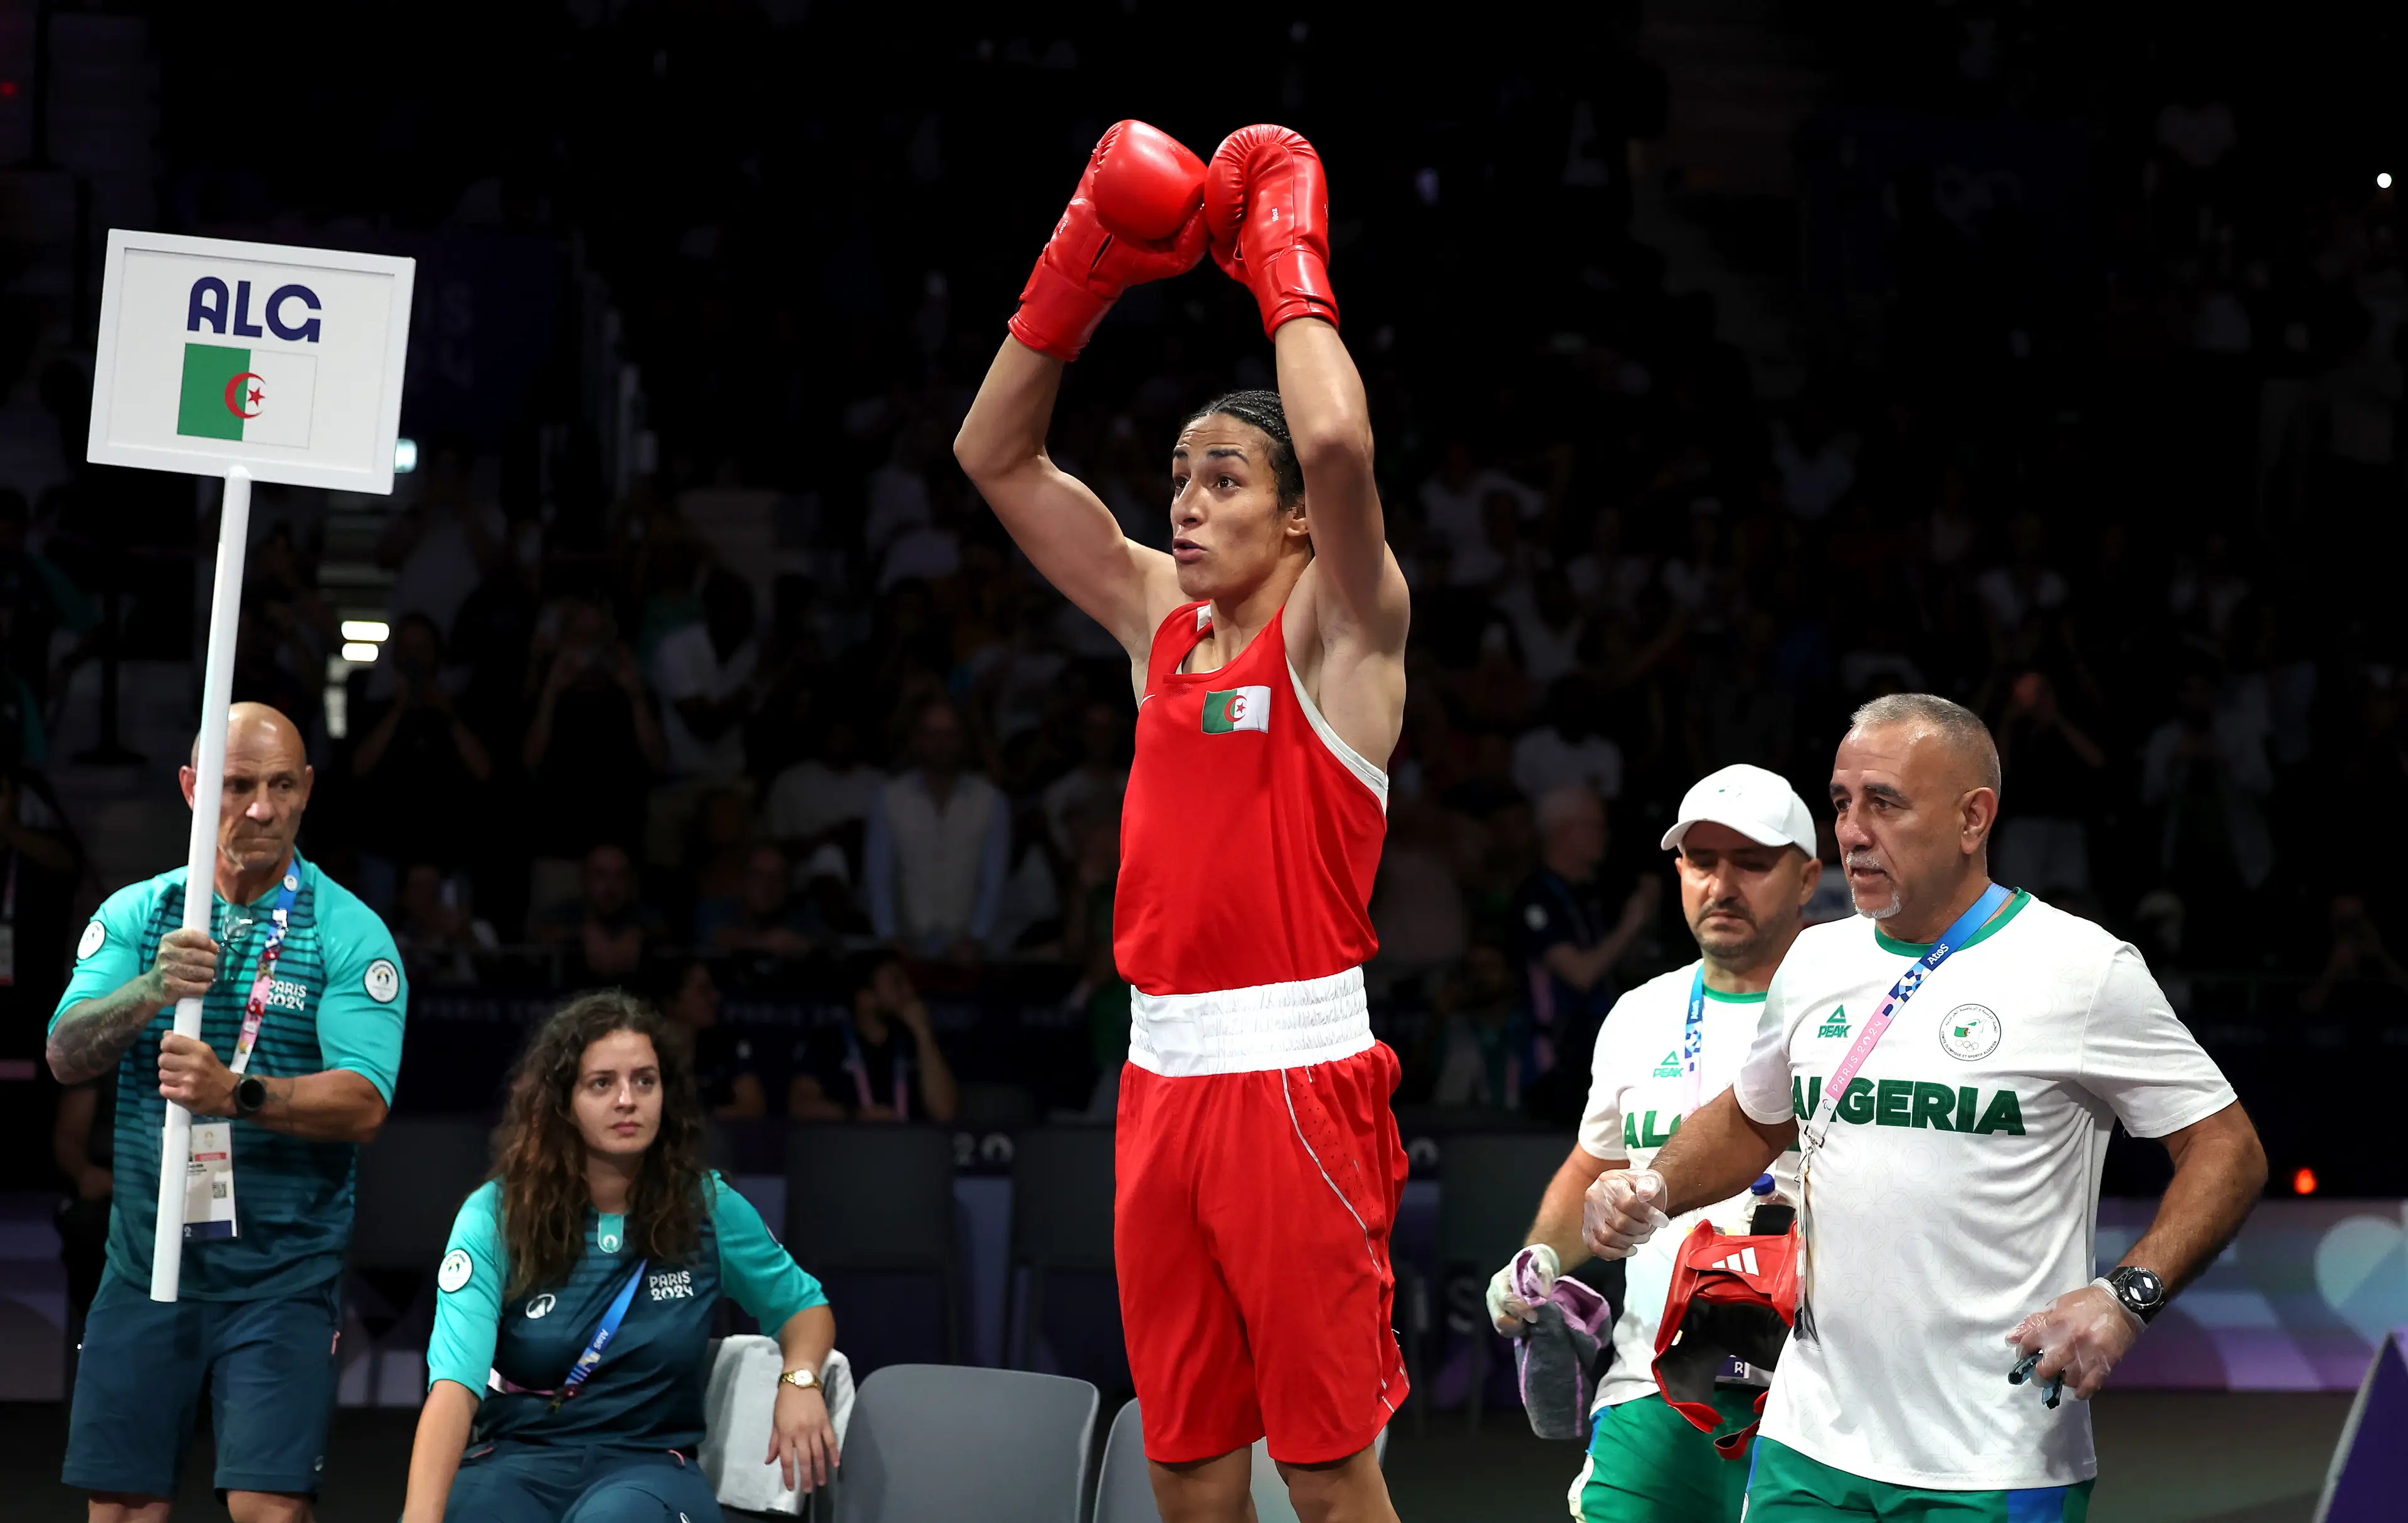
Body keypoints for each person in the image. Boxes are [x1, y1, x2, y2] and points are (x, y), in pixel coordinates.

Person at [955, 120, 1412, 1523]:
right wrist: (1081, 267)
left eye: (1225, 477)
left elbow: (1331, 431)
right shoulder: (1161, 619)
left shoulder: (1347, 632)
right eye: (1180, 474)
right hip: (1159, 1084)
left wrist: (1284, 255)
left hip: (1297, 1077)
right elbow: (992, 451)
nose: (1188, 499)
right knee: (1188, 1468)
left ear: (1294, 527)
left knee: (1330, 1475)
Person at [1583, 693, 2267, 1522]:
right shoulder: (1816, 958)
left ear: (1974, 817)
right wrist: (1655, 1184)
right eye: (1841, 803)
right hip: (1809, 1441)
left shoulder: (2081, 968)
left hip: (1996, 1453)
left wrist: (2127, 1295)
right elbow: (1755, 1120)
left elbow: (2227, 1147)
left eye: (1885, 803)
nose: (1853, 830)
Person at [45, 702, 408, 1523]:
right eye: (237, 785)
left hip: (283, 1278)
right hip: (147, 1267)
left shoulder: (349, 933)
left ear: (308, 789)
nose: (261, 809)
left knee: (266, 1509)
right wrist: (148, 991)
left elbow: (365, 1104)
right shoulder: (141, 917)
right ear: (191, 788)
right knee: (125, 1509)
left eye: (282, 785)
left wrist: (234, 1094)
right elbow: (66, 1055)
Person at [1487, 764, 1820, 1523]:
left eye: (1752, 862)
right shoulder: (1641, 1012)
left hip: (1818, 1399)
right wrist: (1536, 1259)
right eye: (1702, 862)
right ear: (1677, 871)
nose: (1721, 883)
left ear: (1807, 879)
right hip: (1653, 1384)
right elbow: (1594, 1166)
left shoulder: (1847, 1009)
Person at [402, 991, 837, 1522]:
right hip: (516, 1464)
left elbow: (803, 1306)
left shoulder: (707, 1206)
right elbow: (453, 1391)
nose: (627, 1099)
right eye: (602, 1083)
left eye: (644, 1081)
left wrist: (799, 1380)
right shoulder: (496, 1215)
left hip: (651, 1469)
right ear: (563, 1101)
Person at [1514, 786, 1663, 1114]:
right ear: (1562, 831)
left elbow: (1614, 961)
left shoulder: (1589, 892)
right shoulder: (1537, 896)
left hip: (1599, 1056)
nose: (1604, 836)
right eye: (1594, 826)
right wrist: (1631, 923)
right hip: (1554, 1064)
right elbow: (1580, 974)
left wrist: (1643, 919)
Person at [862, 697, 1008, 959]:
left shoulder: (992, 801)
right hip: (906, 946)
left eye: (950, 735)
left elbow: (993, 880)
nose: (941, 744)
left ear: (964, 739)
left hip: (971, 951)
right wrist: (889, 938)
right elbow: (879, 878)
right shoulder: (889, 798)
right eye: (932, 734)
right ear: (918, 740)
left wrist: (977, 938)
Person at [787, 954, 959, 1124]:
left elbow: (945, 1113)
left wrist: (923, 1034)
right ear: (865, 998)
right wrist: (855, 1116)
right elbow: (801, 1106)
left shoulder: (920, 1043)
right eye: (897, 983)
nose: (909, 991)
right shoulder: (827, 1043)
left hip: (911, 1147)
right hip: (848, 1146)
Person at [532, 845, 667, 983]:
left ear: (631, 882)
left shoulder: (643, 913)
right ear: (584, 879)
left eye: (620, 876)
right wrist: (581, 934)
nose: (610, 886)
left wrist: (640, 935)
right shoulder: (565, 911)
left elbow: (666, 935)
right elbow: (537, 935)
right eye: (600, 875)